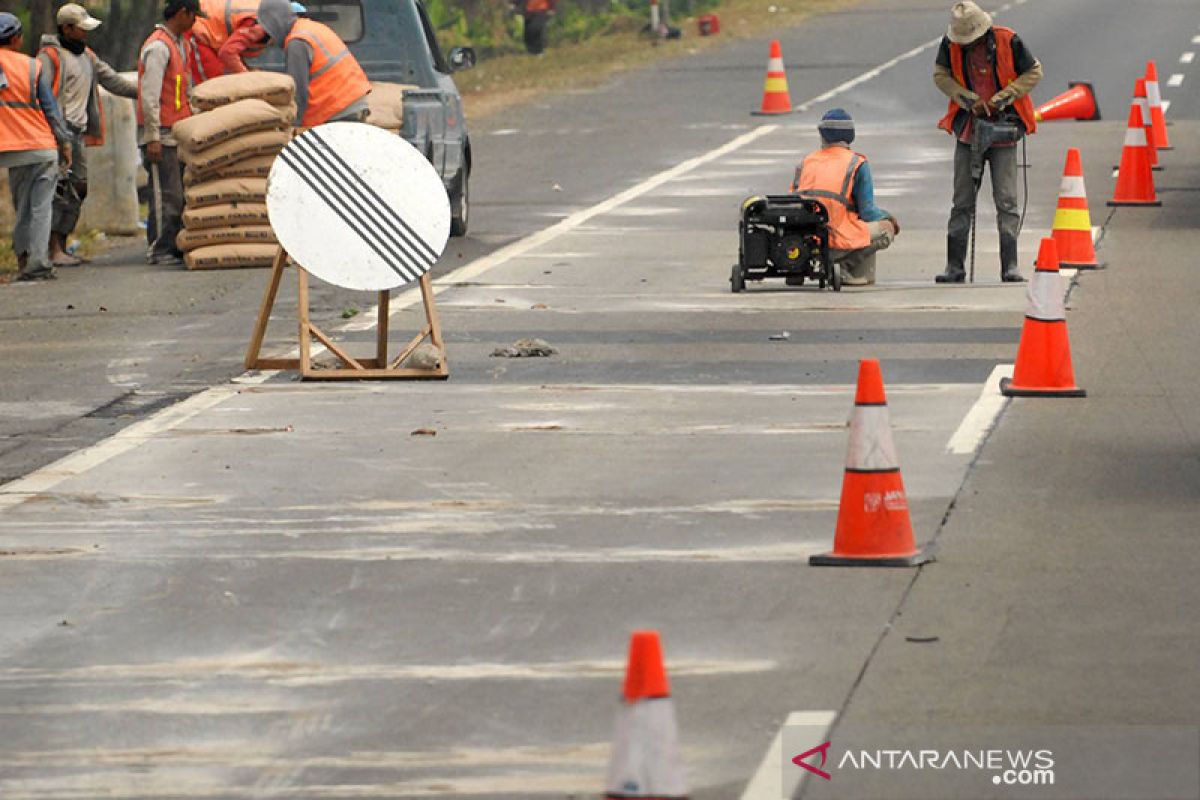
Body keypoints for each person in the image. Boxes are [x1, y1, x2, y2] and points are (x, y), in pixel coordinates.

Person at [933, 0, 1041, 283]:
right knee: (962, 201)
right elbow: (940, 75)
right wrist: (968, 100)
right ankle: (954, 267)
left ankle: (1010, 266)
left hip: (1004, 128)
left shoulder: (1009, 40)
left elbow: (1034, 72)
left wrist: (1002, 97)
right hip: (969, 129)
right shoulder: (951, 44)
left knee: (1006, 201)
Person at [37, 3, 138, 267]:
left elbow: (112, 80)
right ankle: (52, 248)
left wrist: (144, 92)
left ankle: (61, 241)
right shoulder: (50, 57)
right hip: (58, 132)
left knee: (79, 188)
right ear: (66, 28)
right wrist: (56, 133)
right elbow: (42, 93)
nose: (85, 34)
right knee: (59, 190)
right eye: (81, 29)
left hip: (78, 133)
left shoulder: (88, 56)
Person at [789, 109, 899, 287]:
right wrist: (889, 218)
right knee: (886, 229)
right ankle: (840, 267)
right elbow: (868, 212)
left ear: (822, 135)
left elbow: (793, 202)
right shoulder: (856, 163)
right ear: (850, 136)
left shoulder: (806, 162)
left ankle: (799, 266)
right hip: (835, 241)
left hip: (803, 242)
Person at [0, 12, 72, 283]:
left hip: (6, 145)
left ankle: (22, 257)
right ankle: (38, 263)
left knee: (22, 205)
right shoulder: (32, 66)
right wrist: (64, 142)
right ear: (17, 39)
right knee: (40, 206)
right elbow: (51, 110)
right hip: (40, 144)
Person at [138, 0, 203, 266]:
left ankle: (172, 244)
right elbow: (149, 94)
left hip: (176, 131)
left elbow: (183, 89)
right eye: (193, 16)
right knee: (166, 196)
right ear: (182, 13)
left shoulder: (180, 44)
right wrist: (152, 136)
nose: (195, 22)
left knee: (176, 193)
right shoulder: (158, 47)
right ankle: (159, 248)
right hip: (161, 134)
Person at [257, 0, 369, 128]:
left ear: (275, 22)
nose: (269, 38)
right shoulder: (310, 27)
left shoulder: (297, 42)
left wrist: (294, 127)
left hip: (338, 110)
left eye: (268, 29)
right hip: (353, 102)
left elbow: (298, 92)